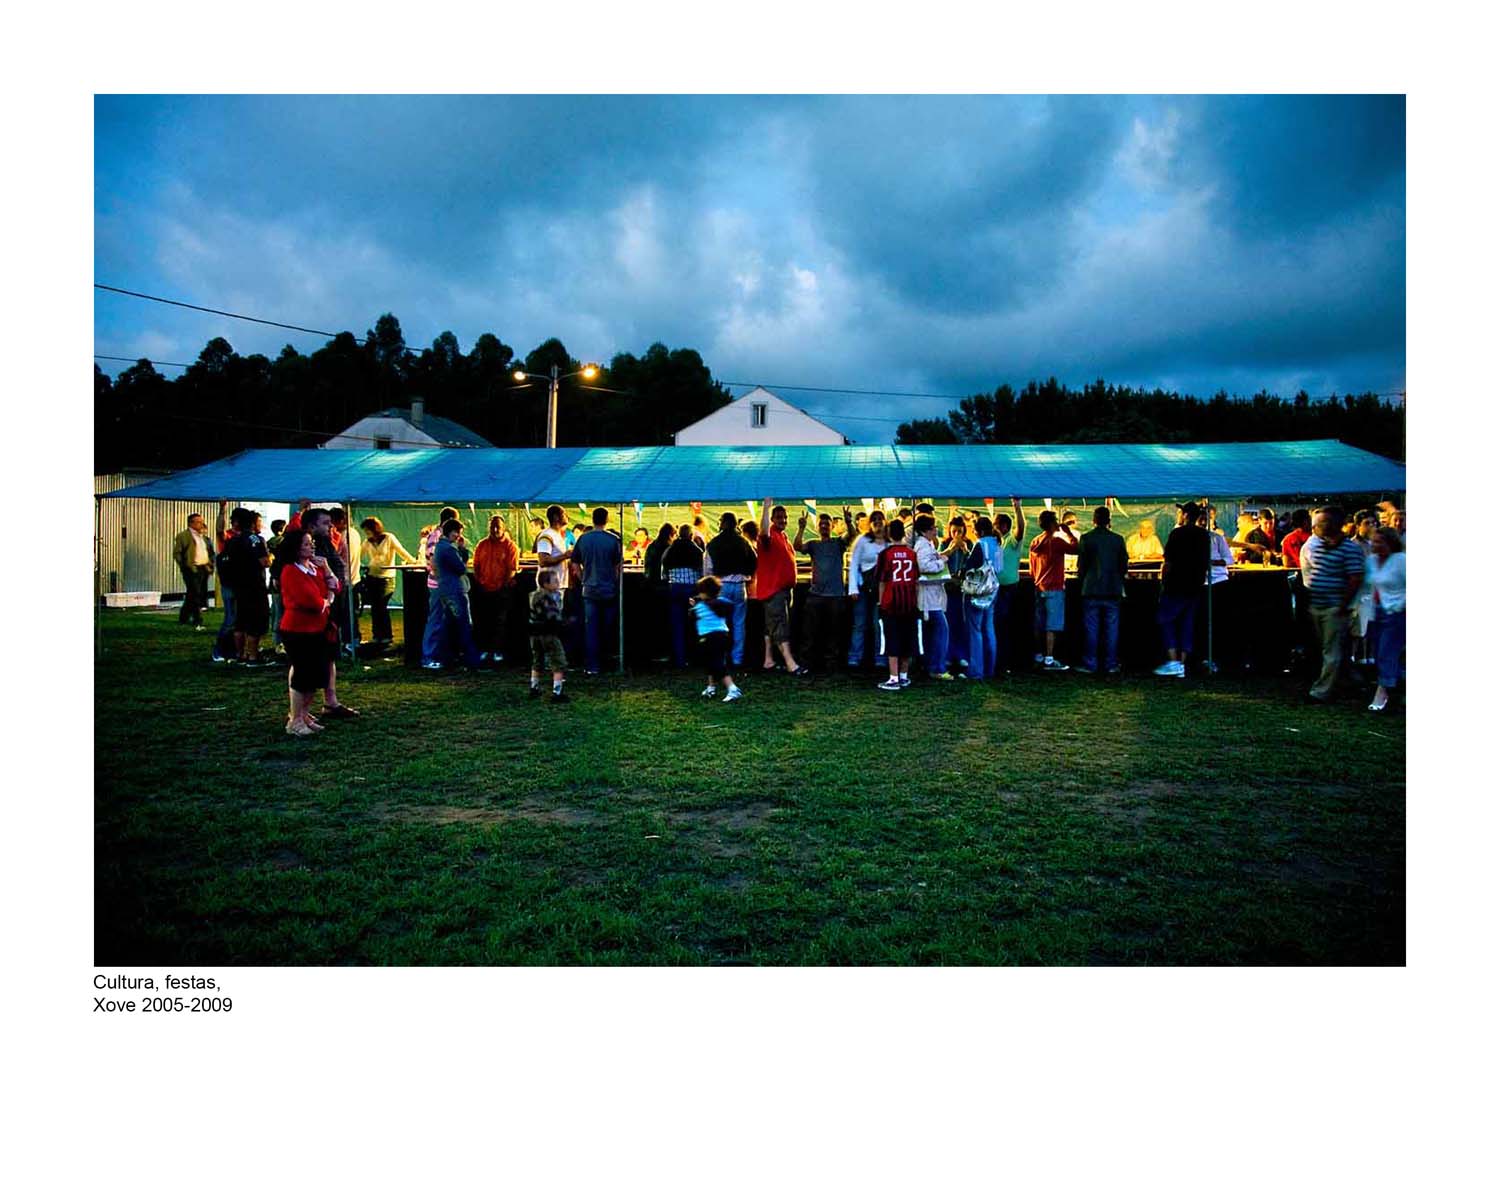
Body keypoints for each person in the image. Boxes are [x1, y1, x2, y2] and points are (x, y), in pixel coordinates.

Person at [274, 529, 344, 736]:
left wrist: (327, 569)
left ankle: (304, 714)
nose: (311, 546)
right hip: (298, 629)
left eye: (311, 543)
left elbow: (336, 586)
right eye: (306, 544)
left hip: (318, 628)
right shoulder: (291, 571)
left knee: (315, 675)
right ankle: (295, 719)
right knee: (303, 675)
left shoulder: (314, 567)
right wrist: (327, 599)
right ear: (296, 548)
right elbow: (311, 601)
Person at [1300, 506, 1367, 702]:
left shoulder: (1350, 549)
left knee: (1332, 651)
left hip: (1334, 606)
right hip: (1318, 605)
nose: (1315, 526)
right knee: (1336, 648)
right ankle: (1353, 682)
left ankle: (1321, 692)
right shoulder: (1320, 545)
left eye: (1321, 522)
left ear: (1334, 524)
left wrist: (1343, 604)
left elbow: (1355, 578)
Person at [1153, 501, 1211, 678]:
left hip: (1176, 584)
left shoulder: (1177, 534)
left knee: (1165, 619)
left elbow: (1168, 562)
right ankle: (1183, 663)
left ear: (1185, 515)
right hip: (1196, 585)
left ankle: (1173, 661)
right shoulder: (1204, 535)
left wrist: (1163, 582)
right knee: (1188, 623)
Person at [793, 507, 853, 671]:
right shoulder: (813, 544)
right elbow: (797, 546)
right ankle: (806, 663)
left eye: (827, 524)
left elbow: (852, 536)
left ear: (832, 526)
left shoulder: (838, 543)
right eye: (822, 524)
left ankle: (832, 663)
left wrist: (848, 522)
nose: (824, 526)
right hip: (816, 595)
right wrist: (801, 528)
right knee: (810, 632)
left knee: (834, 632)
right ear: (817, 527)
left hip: (835, 595)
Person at [756, 499, 810, 677]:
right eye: (779, 517)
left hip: (783, 590)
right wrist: (766, 507)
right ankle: (790, 663)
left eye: (785, 517)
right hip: (773, 590)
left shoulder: (783, 536)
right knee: (779, 626)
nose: (783, 520)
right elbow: (763, 531)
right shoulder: (768, 535)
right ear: (772, 519)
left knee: (770, 625)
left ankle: (768, 660)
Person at [422, 519, 482, 670]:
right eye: (457, 532)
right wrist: (462, 550)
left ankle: (447, 657)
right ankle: (471, 660)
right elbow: (461, 568)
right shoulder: (448, 549)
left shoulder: (440, 547)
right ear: (451, 531)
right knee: (464, 624)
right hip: (455, 590)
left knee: (447, 625)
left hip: (445, 589)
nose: (459, 536)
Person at [573, 507, 624, 675]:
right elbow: (618, 566)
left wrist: (582, 577)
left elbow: (575, 563)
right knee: (608, 628)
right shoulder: (613, 540)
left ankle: (592, 666)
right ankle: (608, 662)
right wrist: (613, 580)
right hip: (608, 589)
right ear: (607, 519)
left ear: (592, 519)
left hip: (589, 589)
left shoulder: (583, 539)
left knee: (591, 629)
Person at [1077, 506, 1127, 674]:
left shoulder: (1086, 538)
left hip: (1091, 589)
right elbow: (1123, 566)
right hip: (1113, 589)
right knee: (1112, 629)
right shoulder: (1118, 539)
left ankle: (1090, 663)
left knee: (1091, 629)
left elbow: (1081, 566)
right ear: (1109, 521)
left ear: (1094, 520)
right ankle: (1111, 664)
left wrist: (1083, 580)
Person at [703, 512, 756, 668]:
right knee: (739, 623)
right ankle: (737, 658)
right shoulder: (743, 542)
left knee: (721, 624)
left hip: (721, 586)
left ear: (723, 523)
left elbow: (707, 568)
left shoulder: (713, 543)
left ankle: (722, 658)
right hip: (739, 585)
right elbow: (754, 560)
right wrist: (747, 575)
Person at [1028, 510, 1078, 671]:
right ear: (1051, 524)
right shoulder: (1056, 541)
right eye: (1056, 520)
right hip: (1054, 587)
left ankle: (1038, 655)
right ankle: (1049, 659)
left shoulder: (1035, 542)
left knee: (1039, 623)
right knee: (1052, 625)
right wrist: (1068, 533)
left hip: (1039, 586)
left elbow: (1031, 569)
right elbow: (1077, 548)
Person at [358, 517, 417, 649]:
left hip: (386, 578)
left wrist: (414, 562)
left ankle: (386, 636)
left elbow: (401, 551)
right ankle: (377, 636)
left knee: (381, 607)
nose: (367, 533)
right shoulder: (367, 542)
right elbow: (358, 555)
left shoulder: (389, 538)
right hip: (372, 577)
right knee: (375, 608)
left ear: (374, 529)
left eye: (368, 530)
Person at [221, 507, 271, 665]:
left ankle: (240, 654)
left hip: (238, 585)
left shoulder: (233, 540)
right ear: (252, 523)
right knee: (256, 621)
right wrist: (271, 556)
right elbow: (265, 562)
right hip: (255, 585)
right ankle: (253, 656)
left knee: (240, 621)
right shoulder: (255, 539)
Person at [875, 519, 919, 690]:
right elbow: (916, 580)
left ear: (889, 533)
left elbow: (882, 581)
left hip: (891, 602)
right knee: (907, 639)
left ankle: (893, 678)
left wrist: (880, 602)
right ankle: (904, 675)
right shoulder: (912, 553)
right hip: (909, 602)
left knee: (892, 639)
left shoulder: (885, 554)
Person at [1365, 528, 1406, 713]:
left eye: (1379, 541)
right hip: (1375, 611)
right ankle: (1398, 684)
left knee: (1386, 652)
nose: (1374, 545)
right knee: (1378, 651)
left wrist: (1400, 605)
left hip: (1396, 612)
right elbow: (1367, 584)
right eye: (1373, 541)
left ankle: (1382, 692)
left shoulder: (1401, 560)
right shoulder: (1371, 561)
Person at [471, 514, 519, 664]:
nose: (495, 529)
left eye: (498, 527)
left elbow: (512, 569)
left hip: (502, 590)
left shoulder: (510, 546)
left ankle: (497, 651)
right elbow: (476, 566)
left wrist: (503, 585)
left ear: (504, 528)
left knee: (500, 622)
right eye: (493, 527)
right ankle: (485, 650)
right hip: (484, 589)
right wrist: (480, 581)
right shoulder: (482, 545)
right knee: (484, 620)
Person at [846, 508, 888, 671]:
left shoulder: (889, 541)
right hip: (863, 588)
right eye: (874, 519)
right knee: (860, 624)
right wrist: (853, 588)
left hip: (882, 590)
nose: (877, 522)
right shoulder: (863, 541)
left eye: (880, 519)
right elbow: (854, 564)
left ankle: (881, 658)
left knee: (879, 624)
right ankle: (855, 657)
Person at [534, 505, 578, 661]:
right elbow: (543, 560)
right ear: (556, 517)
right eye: (564, 514)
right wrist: (565, 555)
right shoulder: (546, 536)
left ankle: (551, 657)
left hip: (559, 586)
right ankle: (546, 659)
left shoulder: (559, 535)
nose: (567, 516)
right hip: (548, 587)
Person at [691, 575, 743, 702]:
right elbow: (729, 606)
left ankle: (732, 688)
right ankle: (711, 687)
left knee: (717, 664)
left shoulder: (700, 606)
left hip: (709, 638)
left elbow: (692, 615)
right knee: (712, 661)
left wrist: (694, 604)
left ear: (704, 592)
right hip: (723, 636)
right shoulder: (721, 603)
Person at [962, 516, 1002, 679]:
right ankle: (990, 668)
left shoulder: (980, 544)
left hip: (979, 590)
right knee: (989, 629)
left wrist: (966, 556)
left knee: (975, 630)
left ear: (980, 531)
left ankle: (976, 670)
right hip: (993, 589)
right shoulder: (997, 544)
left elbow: (970, 567)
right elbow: (999, 568)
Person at [913, 514, 952, 680]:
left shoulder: (926, 544)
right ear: (926, 530)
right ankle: (937, 667)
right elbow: (923, 566)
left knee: (932, 632)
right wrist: (941, 563)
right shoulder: (923, 545)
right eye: (933, 527)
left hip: (932, 596)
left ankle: (930, 665)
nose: (936, 530)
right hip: (928, 597)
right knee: (942, 630)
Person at [662, 521, 705, 668]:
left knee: (677, 625)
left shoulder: (670, 550)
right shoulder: (697, 551)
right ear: (691, 535)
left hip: (675, 588)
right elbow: (703, 573)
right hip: (692, 589)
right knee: (695, 624)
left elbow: (664, 574)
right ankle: (695, 656)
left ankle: (679, 659)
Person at [992, 498, 1026, 673]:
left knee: (1004, 625)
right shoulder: (997, 542)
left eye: (995, 525)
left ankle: (1005, 662)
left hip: (1009, 589)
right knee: (998, 625)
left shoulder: (1012, 540)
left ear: (1004, 526)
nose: (993, 528)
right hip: (997, 588)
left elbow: (1021, 528)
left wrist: (1017, 507)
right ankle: (999, 660)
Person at [527, 568, 570, 703]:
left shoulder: (533, 596)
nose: (558, 583)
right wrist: (564, 622)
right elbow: (553, 617)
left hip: (534, 634)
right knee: (558, 661)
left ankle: (534, 687)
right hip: (549, 634)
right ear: (546, 584)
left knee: (537, 660)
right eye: (555, 581)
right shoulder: (549, 599)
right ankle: (557, 692)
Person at [172, 512, 215, 628]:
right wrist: (185, 566)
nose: (202, 524)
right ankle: (197, 620)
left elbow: (209, 551)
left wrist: (210, 565)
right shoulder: (184, 536)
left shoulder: (203, 537)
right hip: (192, 568)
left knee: (193, 594)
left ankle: (183, 617)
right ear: (191, 523)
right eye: (199, 522)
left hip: (203, 568)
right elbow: (177, 553)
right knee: (195, 594)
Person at [941, 515, 971, 675]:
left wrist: (965, 551)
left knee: (961, 623)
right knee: (949, 622)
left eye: (960, 531)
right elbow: (940, 560)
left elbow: (972, 563)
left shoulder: (968, 545)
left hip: (963, 589)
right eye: (954, 531)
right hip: (948, 589)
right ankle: (948, 655)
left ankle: (961, 655)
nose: (957, 535)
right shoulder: (945, 544)